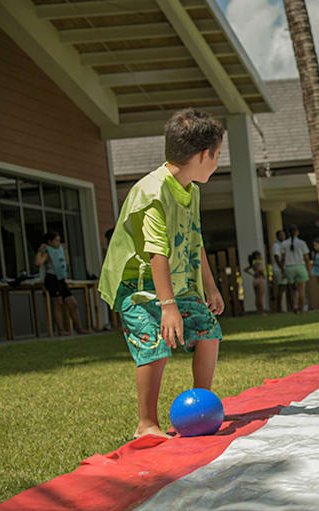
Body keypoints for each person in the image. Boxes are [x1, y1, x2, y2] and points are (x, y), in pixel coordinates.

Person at [99, 108, 226, 439]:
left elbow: (195, 239)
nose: (218, 162)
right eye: (217, 155)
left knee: (208, 329)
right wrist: (167, 306)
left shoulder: (191, 190)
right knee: (153, 343)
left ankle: (202, 407)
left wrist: (210, 286)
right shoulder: (152, 191)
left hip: (176, 286)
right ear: (201, 155)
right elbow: (158, 252)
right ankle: (146, 423)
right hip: (138, 289)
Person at [35, 230, 91, 336]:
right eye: (56, 241)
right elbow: (38, 262)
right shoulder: (47, 252)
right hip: (52, 279)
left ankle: (79, 328)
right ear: (49, 242)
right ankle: (61, 330)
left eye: (59, 241)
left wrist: (64, 251)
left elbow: (66, 263)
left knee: (72, 303)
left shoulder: (60, 250)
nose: (58, 243)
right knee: (58, 304)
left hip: (61, 279)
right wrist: (41, 250)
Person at [283, 224, 310, 314]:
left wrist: (283, 270)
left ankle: (294, 306)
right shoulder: (302, 243)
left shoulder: (284, 244)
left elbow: (283, 258)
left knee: (292, 290)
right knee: (301, 290)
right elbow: (306, 258)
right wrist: (308, 269)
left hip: (289, 268)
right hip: (300, 267)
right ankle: (301, 309)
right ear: (297, 232)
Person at [270, 229, 289, 313]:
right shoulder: (276, 246)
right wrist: (282, 270)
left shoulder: (284, 245)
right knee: (281, 289)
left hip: (283, 269)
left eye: (283, 235)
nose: (283, 237)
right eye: (281, 235)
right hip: (279, 269)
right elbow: (277, 258)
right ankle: (279, 309)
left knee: (285, 288)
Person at [244, 250, 266, 316]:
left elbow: (245, 270)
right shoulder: (259, 263)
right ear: (257, 256)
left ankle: (258, 311)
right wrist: (262, 274)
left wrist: (253, 274)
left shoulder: (253, 263)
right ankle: (262, 312)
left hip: (255, 280)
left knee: (257, 297)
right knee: (260, 297)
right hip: (260, 280)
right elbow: (260, 270)